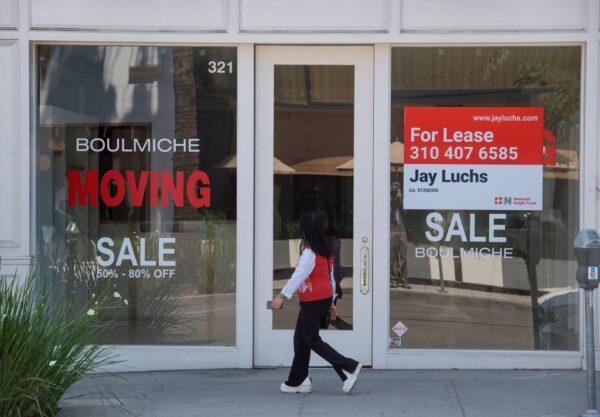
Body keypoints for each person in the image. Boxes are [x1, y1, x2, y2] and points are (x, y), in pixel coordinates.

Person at [271, 211, 362, 394]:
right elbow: (331, 278)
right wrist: (332, 302)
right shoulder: (325, 251)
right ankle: (299, 379)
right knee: (301, 340)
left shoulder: (310, 252)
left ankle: (348, 367)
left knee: (311, 339)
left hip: (313, 301)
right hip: (322, 299)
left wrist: (281, 295)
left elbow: (299, 275)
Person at [390, 183, 410, 289]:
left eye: (400, 191)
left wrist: (400, 199)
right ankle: (394, 279)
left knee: (403, 257)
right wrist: (393, 198)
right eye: (396, 191)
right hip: (392, 230)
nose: (398, 193)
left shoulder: (402, 202)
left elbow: (406, 212)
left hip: (402, 231)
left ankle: (404, 279)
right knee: (392, 257)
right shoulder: (390, 201)